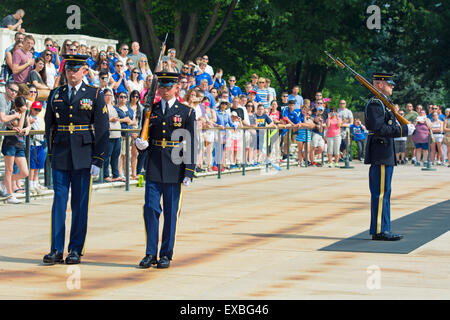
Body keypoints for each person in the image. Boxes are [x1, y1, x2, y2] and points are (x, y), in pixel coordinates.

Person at [42, 55, 109, 265]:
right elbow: (49, 126)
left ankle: (75, 249)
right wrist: (51, 153)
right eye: (68, 70)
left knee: (80, 204)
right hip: (61, 154)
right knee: (59, 203)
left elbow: (102, 128)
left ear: (84, 71)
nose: (71, 74)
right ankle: (55, 248)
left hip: (84, 155)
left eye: (76, 70)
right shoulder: (56, 94)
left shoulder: (94, 94)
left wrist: (98, 158)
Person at [134, 72, 196, 269]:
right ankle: (150, 252)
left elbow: (190, 142)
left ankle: (166, 254)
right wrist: (140, 144)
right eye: (162, 87)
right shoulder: (150, 110)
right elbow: (145, 134)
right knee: (150, 209)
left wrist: (189, 171)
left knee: (170, 213)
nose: (165, 91)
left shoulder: (186, 112)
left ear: (177, 88)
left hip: (174, 166)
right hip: (154, 164)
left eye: (169, 87)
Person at [364, 72, 414, 241]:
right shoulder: (375, 104)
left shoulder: (383, 104)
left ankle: (383, 227)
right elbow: (379, 129)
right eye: (389, 84)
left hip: (385, 153)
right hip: (381, 154)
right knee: (380, 194)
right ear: (379, 85)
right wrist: (404, 130)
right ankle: (379, 230)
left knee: (385, 193)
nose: (392, 86)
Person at [1, 95, 30, 203]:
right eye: (21, 107)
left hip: (20, 144)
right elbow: (19, 126)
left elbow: (26, 125)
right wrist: (22, 114)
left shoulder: (25, 112)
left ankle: (4, 182)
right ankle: (10, 195)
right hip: (10, 143)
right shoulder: (13, 113)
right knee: (9, 170)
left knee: (25, 172)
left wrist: (28, 128)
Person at [103, 89, 121, 182]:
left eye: (110, 95)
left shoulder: (113, 106)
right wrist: (110, 119)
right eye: (107, 95)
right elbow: (100, 119)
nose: (109, 97)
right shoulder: (103, 106)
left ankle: (115, 174)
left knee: (115, 155)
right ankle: (105, 175)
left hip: (117, 133)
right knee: (107, 155)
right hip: (109, 134)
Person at [29, 101, 47, 194]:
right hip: (32, 143)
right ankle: (30, 183)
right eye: (35, 109)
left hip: (40, 143)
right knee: (32, 165)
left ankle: (35, 182)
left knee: (38, 164)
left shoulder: (40, 119)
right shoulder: (28, 118)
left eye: (38, 110)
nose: (36, 111)